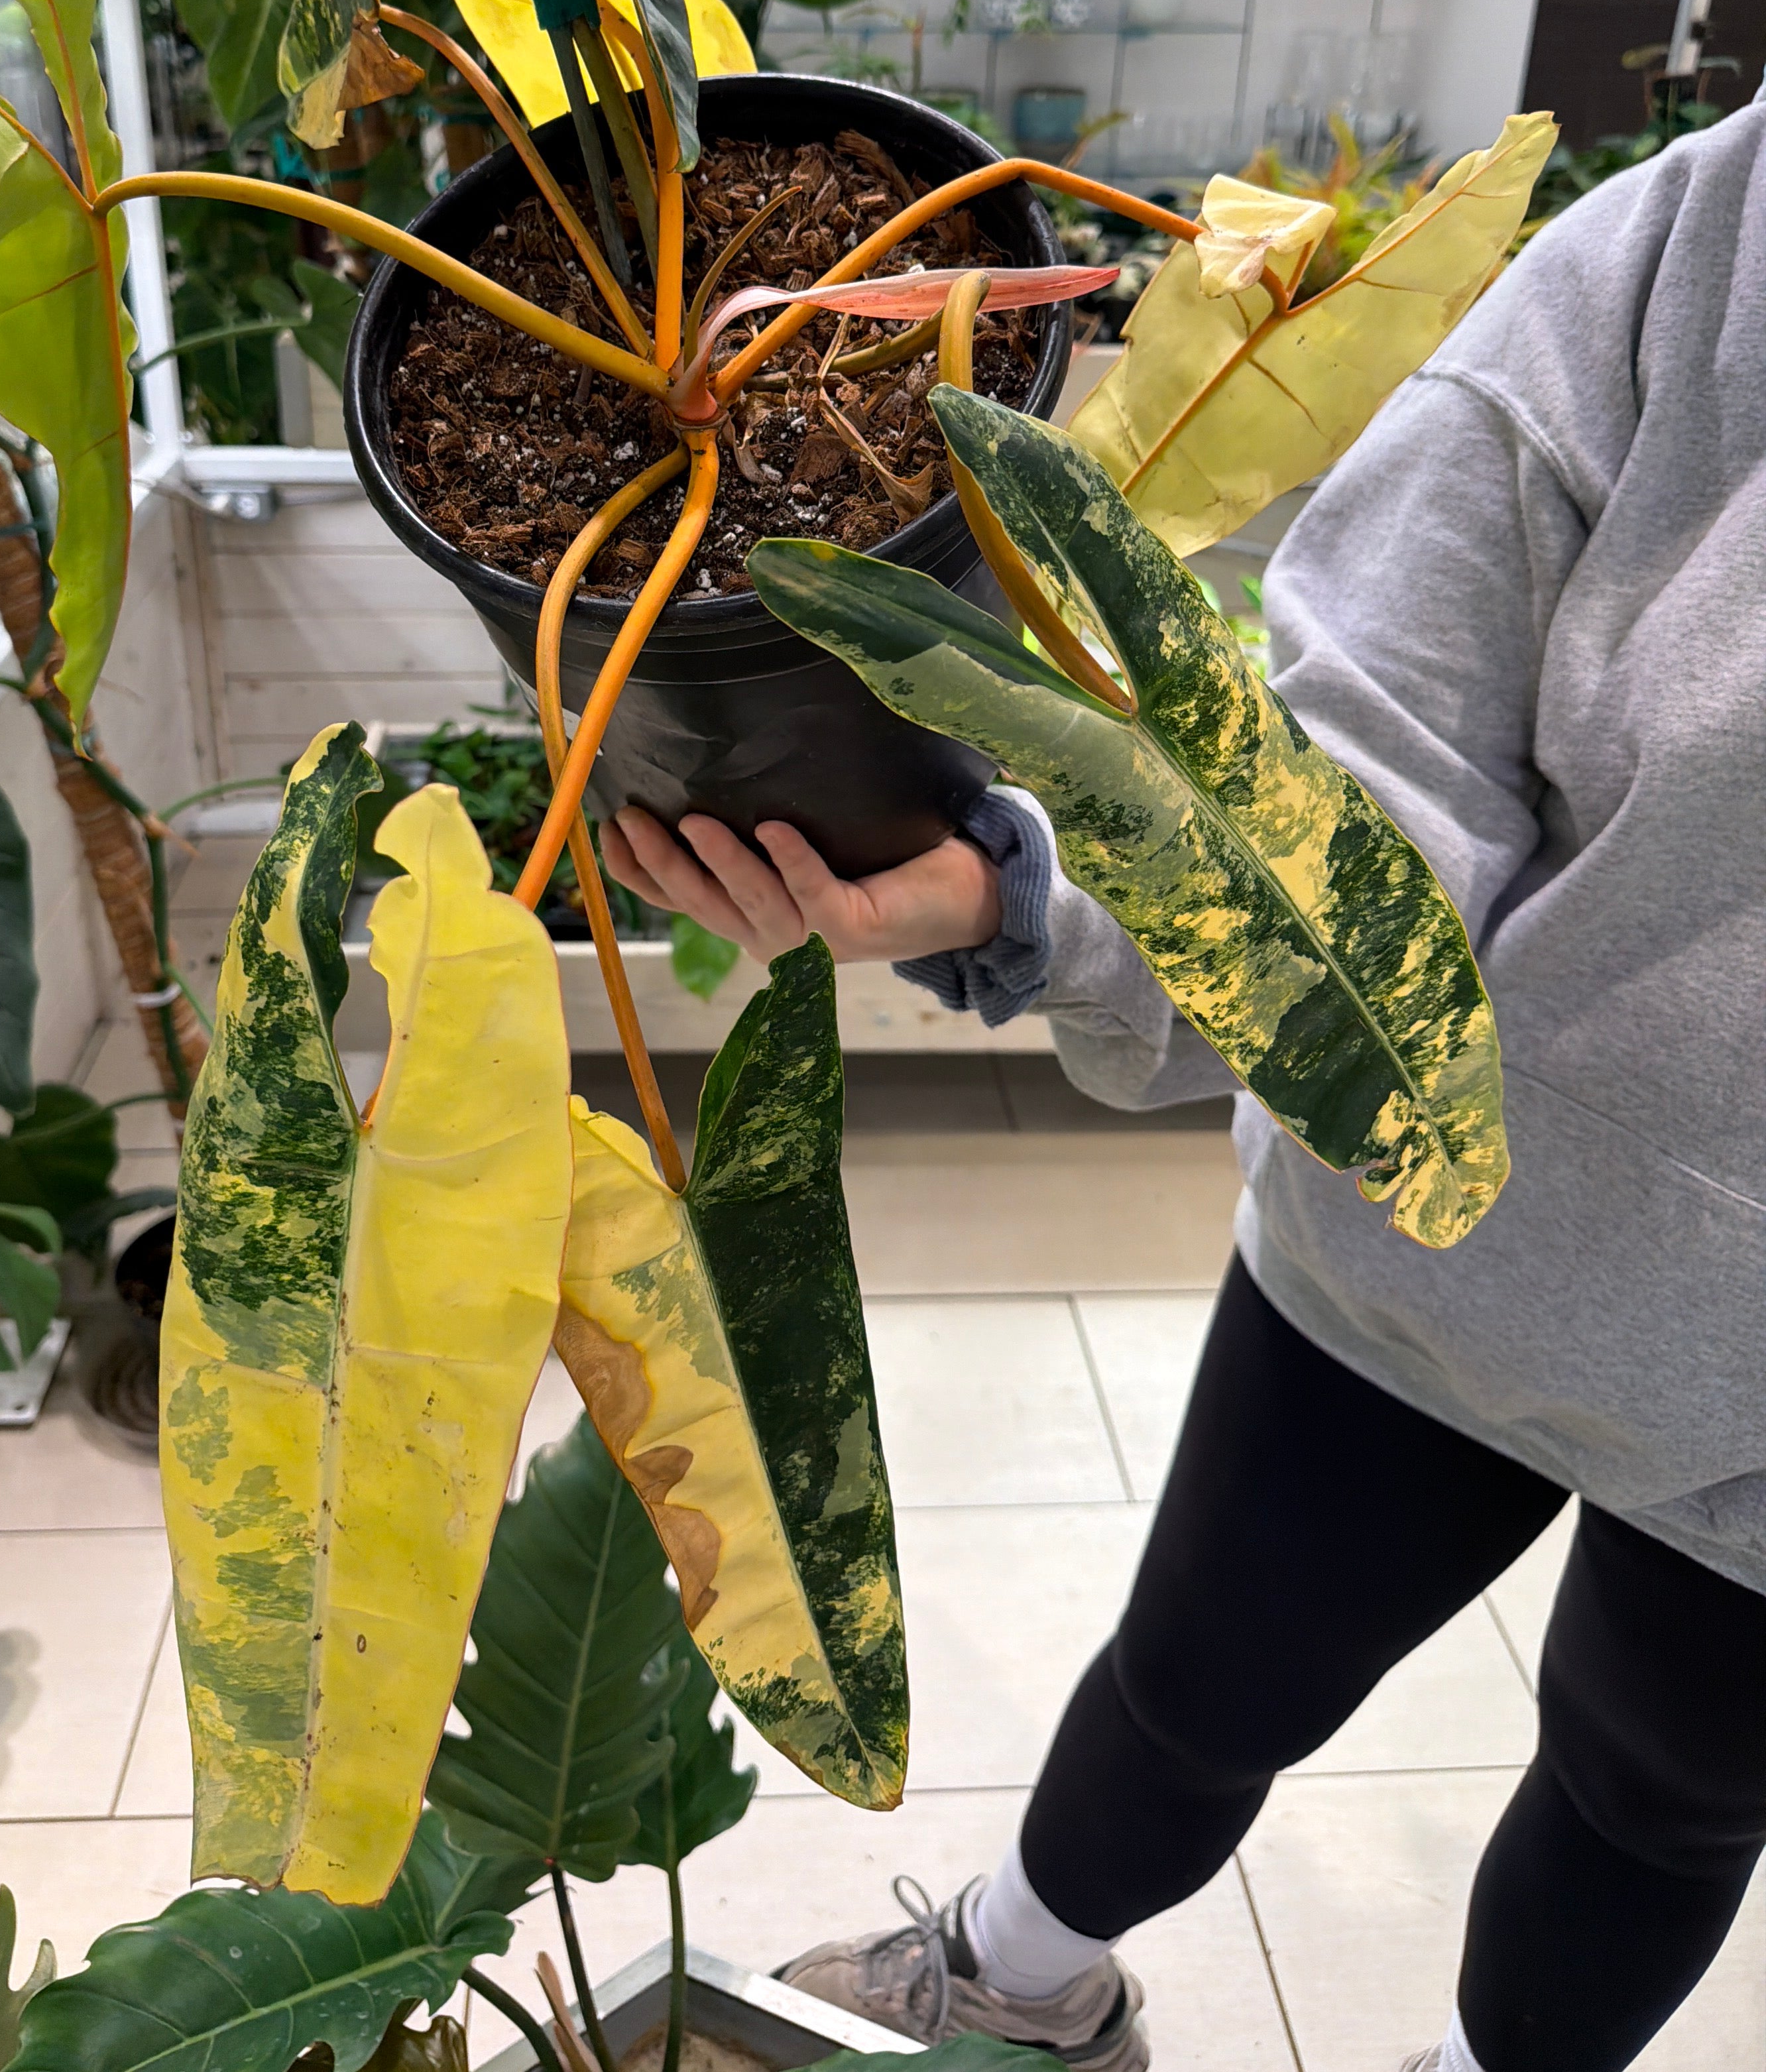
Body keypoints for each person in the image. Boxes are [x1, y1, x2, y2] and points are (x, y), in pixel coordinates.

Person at [596, 104, 1766, 2072]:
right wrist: (1016, 899)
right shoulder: (1697, 251)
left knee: (1661, 1801)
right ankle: (1024, 1971)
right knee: (1201, 1678)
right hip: (1427, 1260)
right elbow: (1357, 798)